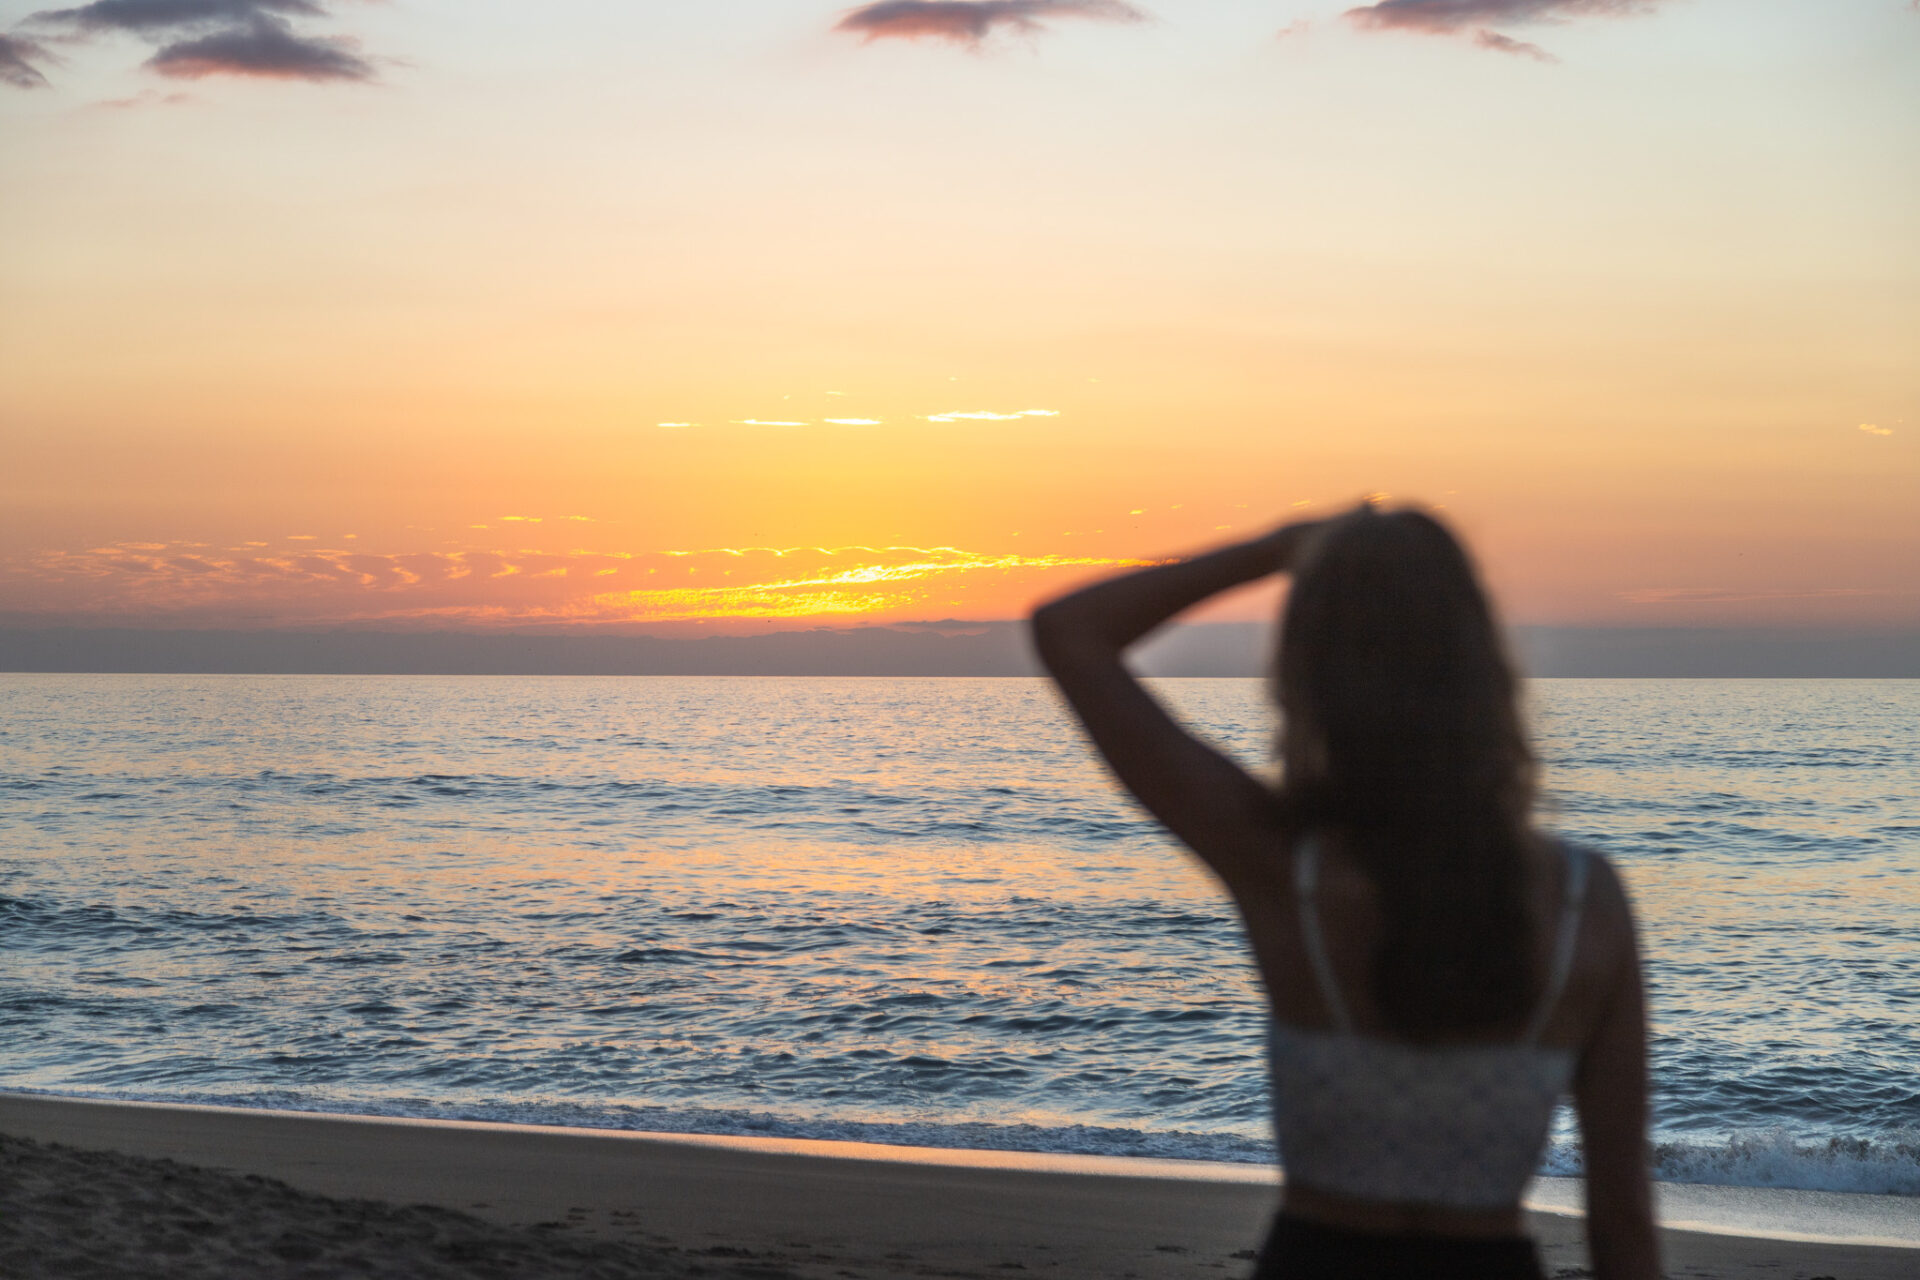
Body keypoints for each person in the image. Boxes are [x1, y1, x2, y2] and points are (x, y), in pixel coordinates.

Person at [1030, 503, 1658, 1280]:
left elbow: (1069, 632)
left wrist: (1275, 551)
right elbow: (1622, 1224)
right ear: (1477, 665)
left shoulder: (1284, 868)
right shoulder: (1582, 905)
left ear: (1309, 674)